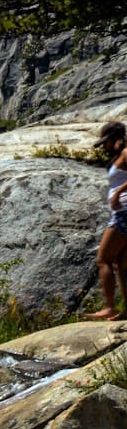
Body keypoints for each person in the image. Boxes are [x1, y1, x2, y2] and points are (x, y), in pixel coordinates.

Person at [90, 120, 127, 319]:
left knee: (103, 259)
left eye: (105, 141)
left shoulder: (125, 152)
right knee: (122, 264)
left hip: (124, 213)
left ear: (115, 138)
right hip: (122, 212)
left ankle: (110, 307)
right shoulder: (119, 155)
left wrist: (118, 193)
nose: (103, 146)